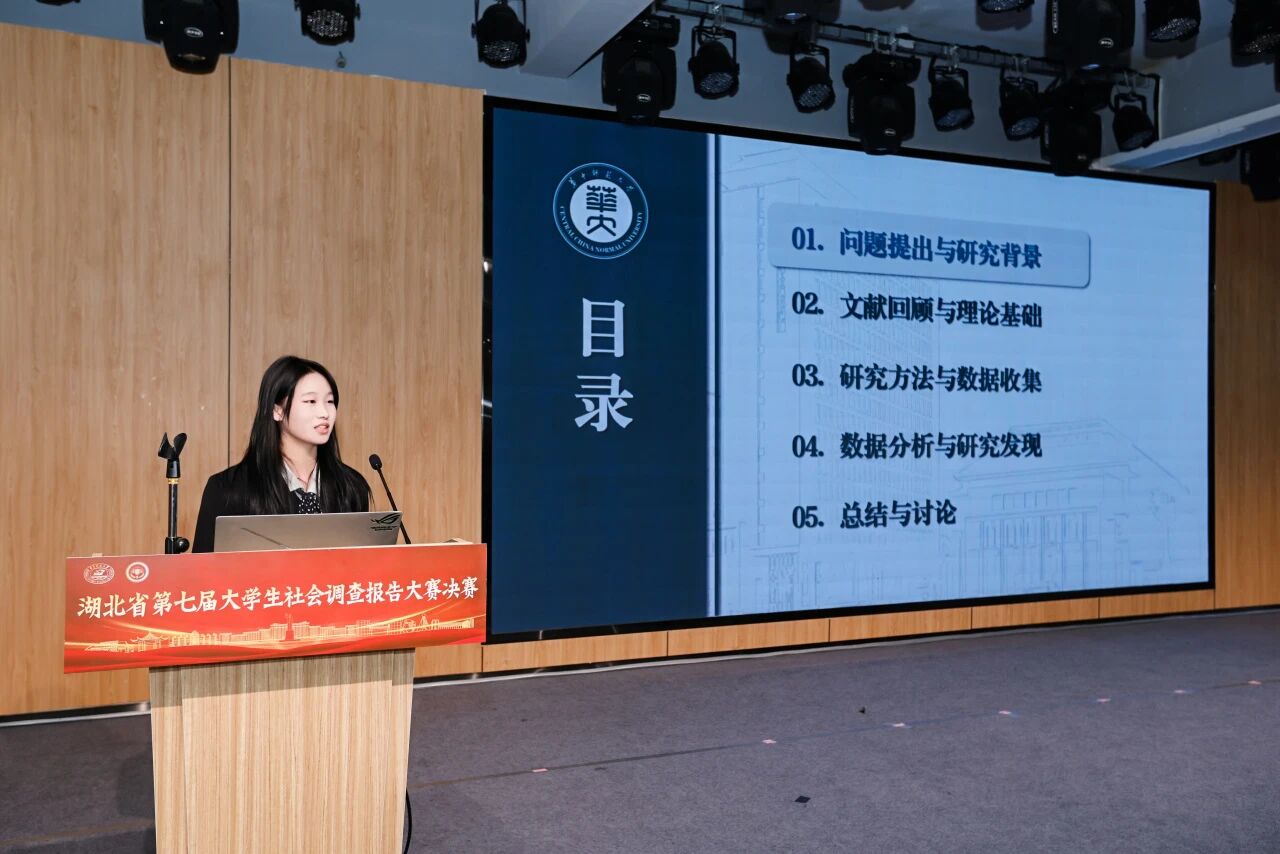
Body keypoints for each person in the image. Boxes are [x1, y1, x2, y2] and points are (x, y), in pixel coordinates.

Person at [192, 355, 371, 553]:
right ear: (277, 410)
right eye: (310, 401)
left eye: (330, 401)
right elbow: (203, 569)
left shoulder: (351, 487)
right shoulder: (228, 489)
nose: (324, 412)